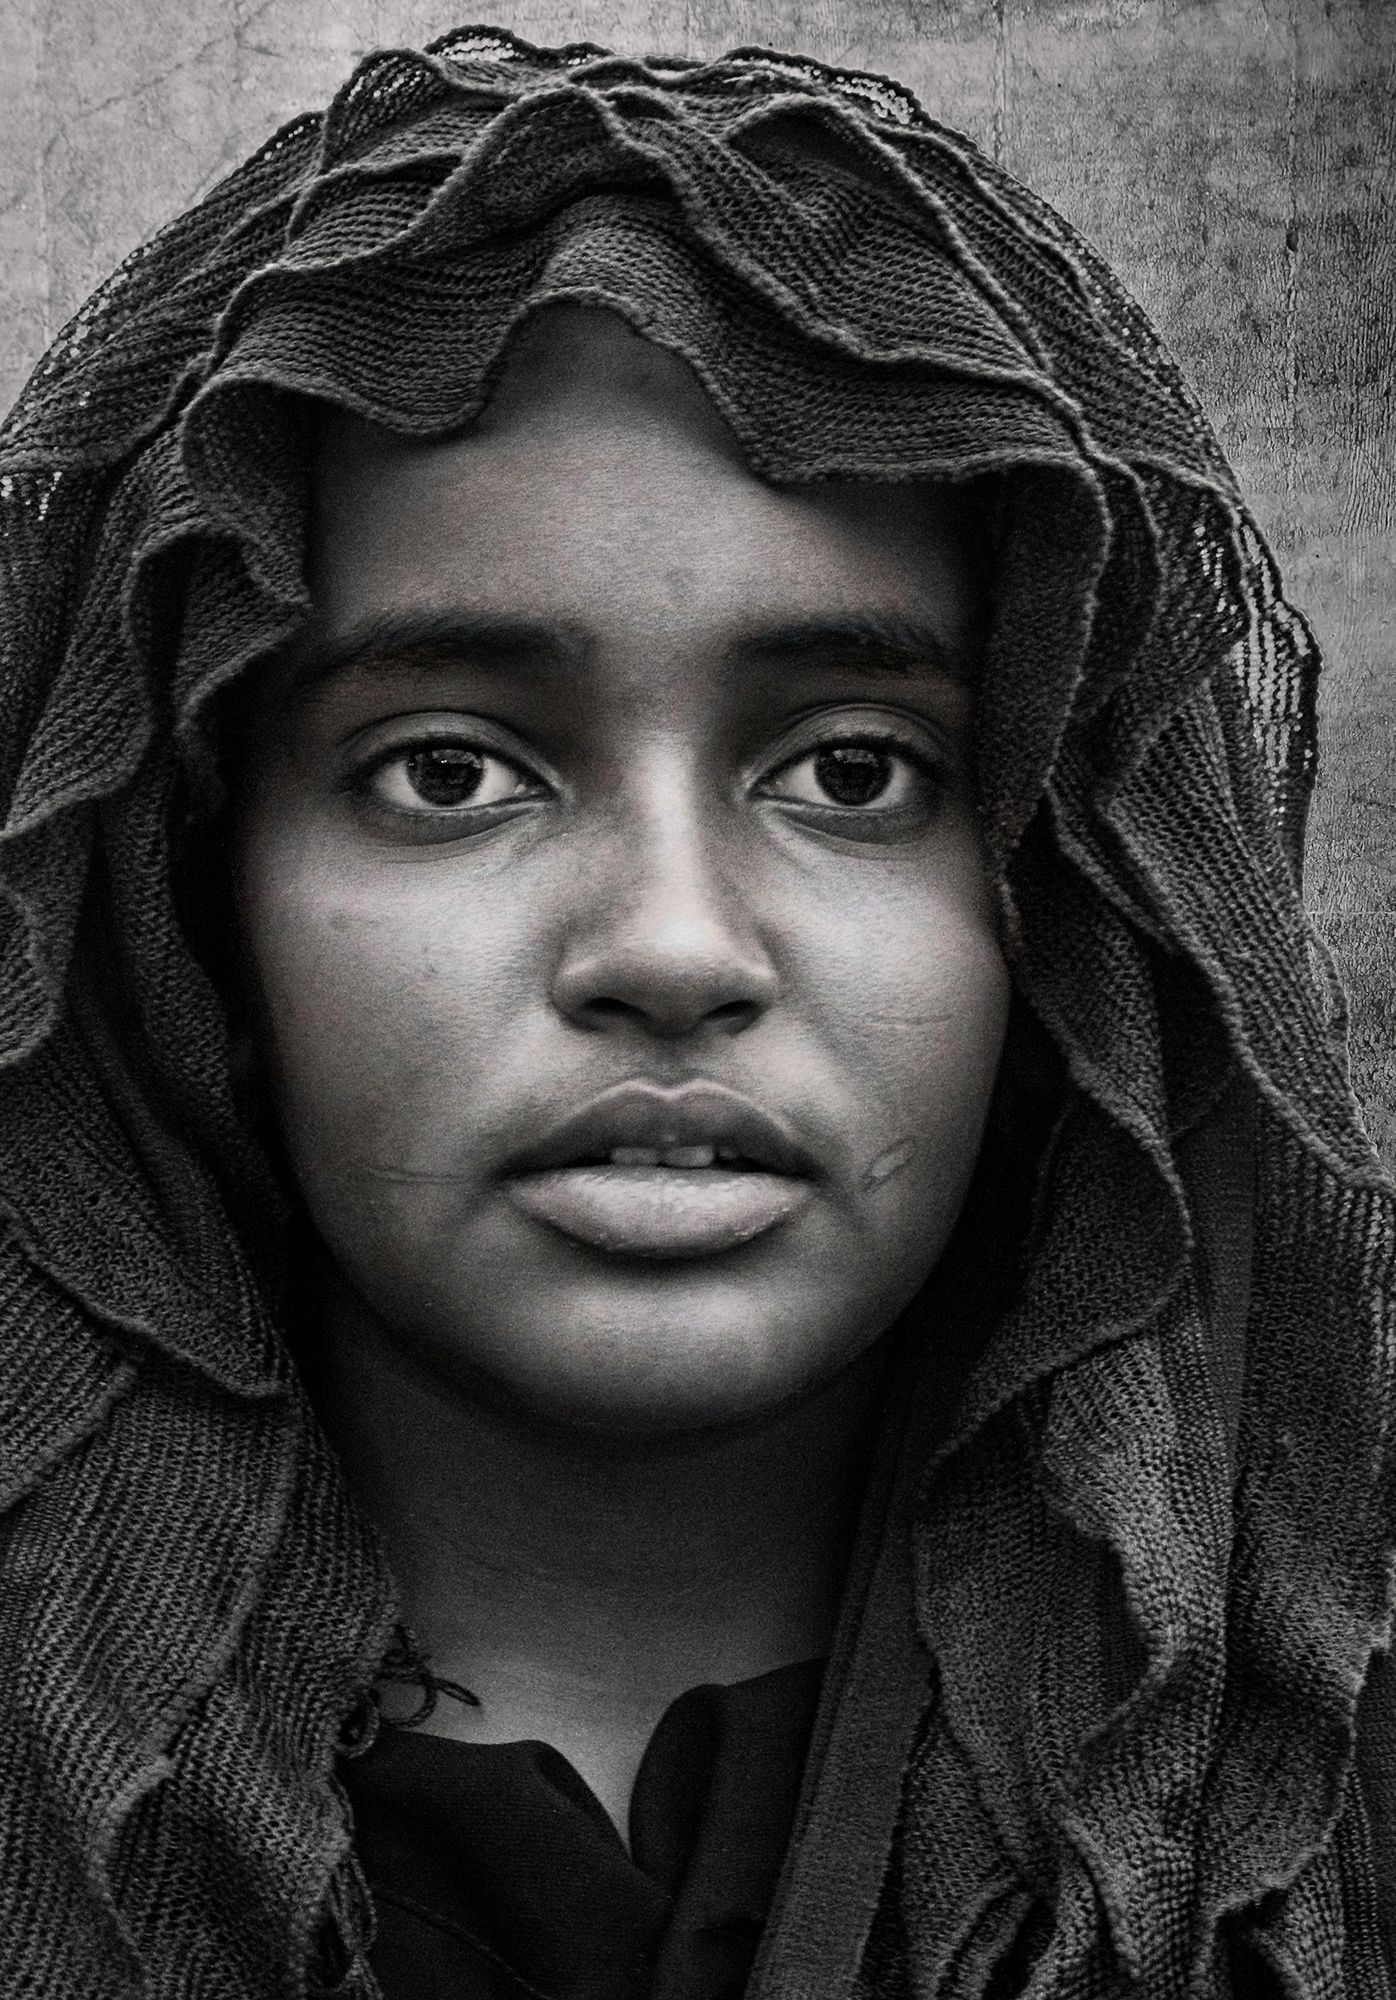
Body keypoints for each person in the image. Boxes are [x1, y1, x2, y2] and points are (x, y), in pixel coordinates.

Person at [0, 24, 1392, 2000]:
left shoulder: (1309, 1822)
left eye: (847, 771)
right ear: (191, 896)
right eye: (449, 770)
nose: (668, 943)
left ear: (1062, 906)